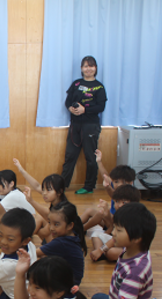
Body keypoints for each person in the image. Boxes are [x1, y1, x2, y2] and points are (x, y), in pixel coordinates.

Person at [90, 203, 157, 299]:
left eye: (119, 230)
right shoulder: (132, 250)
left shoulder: (135, 271)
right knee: (97, 297)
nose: (113, 233)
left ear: (137, 237)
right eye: (114, 228)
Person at [61, 56, 107, 195]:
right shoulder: (76, 84)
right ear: (81, 68)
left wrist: (84, 110)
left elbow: (101, 107)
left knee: (90, 157)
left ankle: (89, 186)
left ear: (96, 68)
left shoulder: (99, 87)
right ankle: (62, 186)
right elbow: (68, 101)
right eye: (86, 66)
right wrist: (70, 108)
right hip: (75, 125)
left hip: (90, 126)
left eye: (91, 66)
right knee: (70, 156)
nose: (88, 69)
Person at [81, 150, 136, 231]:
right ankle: (74, 226)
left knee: (100, 213)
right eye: (116, 182)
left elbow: (115, 196)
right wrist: (99, 161)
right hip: (110, 221)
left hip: (117, 226)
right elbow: (106, 176)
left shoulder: (130, 193)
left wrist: (107, 188)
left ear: (131, 182)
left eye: (123, 182)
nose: (119, 184)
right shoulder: (116, 187)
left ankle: (80, 230)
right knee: (89, 211)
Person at [35, 201, 87, 286]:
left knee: (33, 261)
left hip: (67, 286)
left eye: (56, 224)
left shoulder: (61, 243)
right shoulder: (72, 235)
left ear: (70, 225)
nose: (51, 228)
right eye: (49, 223)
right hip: (71, 281)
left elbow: (33, 253)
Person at [89, 185, 141, 262]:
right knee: (96, 233)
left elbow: (115, 238)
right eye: (117, 201)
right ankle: (99, 254)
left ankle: (100, 252)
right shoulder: (119, 214)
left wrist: (102, 249)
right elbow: (112, 231)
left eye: (124, 202)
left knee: (111, 252)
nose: (119, 205)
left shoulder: (131, 218)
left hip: (130, 248)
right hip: (118, 242)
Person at [22, 174, 67, 243]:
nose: (44, 193)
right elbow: (37, 186)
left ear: (60, 191)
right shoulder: (58, 202)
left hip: (63, 244)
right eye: (43, 190)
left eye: (48, 190)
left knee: (39, 219)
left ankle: (21, 239)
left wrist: (31, 201)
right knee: (39, 218)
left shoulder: (62, 210)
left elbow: (44, 232)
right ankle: (22, 239)